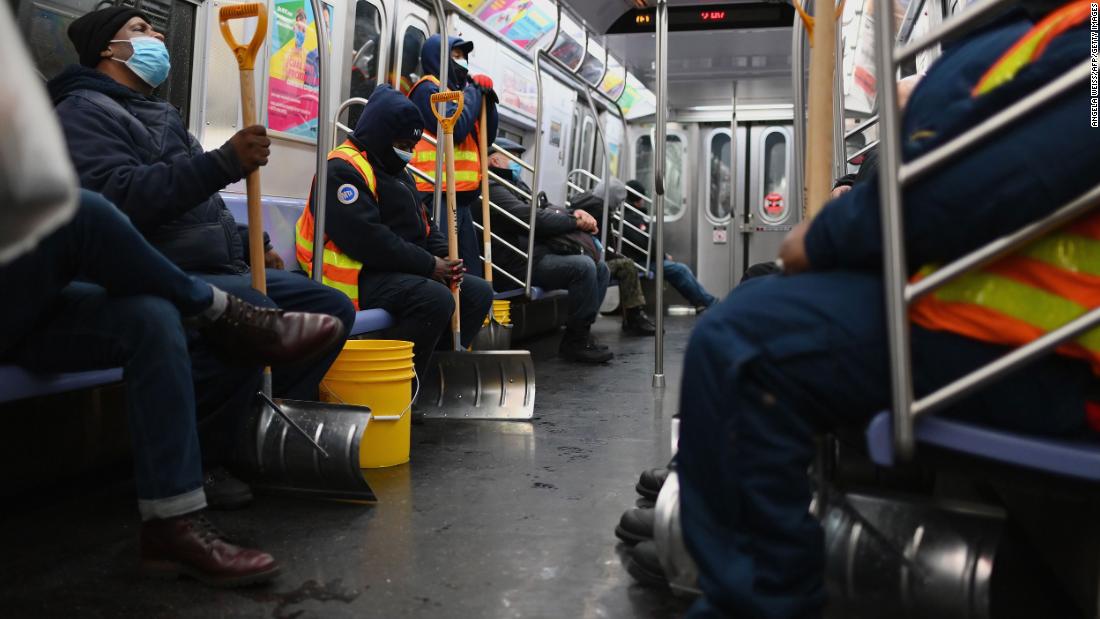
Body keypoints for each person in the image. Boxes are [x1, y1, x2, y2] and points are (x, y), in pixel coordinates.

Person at [676, 4, 1097, 617]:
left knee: (741, 345)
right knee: (756, 310)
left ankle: (759, 602)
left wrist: (826, 237)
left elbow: (988, 177)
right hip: (1000, 323)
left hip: (1057, 353)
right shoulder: (1060, 30)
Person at [1, 11, 343, 584]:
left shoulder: (162, 115)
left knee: (171, 312)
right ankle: (216, 324)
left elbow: (195, 212)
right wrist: (223, 164)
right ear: (109, 48)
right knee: (90, 218)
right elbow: (119, 204)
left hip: (169, 273)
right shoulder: (82, 112)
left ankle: (180, 512)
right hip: (106, 276)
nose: (158, 38)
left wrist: (247, 240)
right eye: (143, 29)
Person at [296, 85, 493, 381]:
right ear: (381, 134)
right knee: (435, 299)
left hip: (394, 268)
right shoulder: (342, 169)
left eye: (412, 146)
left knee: (478, 292)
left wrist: (443, 255)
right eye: (403, 144)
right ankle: (397, 383)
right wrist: (429, 266)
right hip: (353, 273)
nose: (409, 153)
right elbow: (368, 240)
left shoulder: (396, 170)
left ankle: (432, 377)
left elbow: (424, 223)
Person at [478, 138, 613, 363]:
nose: (518, 162)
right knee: (584, 267)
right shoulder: (491, 187)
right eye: (513, 157)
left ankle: (580, 334)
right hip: (517, 264)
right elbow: (530, 218)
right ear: (495, 160)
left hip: (536, 255)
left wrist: (575, 214)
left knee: (601, 269)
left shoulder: (517, 186)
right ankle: (574, 344)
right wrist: (574, 223)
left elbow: (545, 208)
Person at [407, 34, 499, 274]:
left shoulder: (460, 92)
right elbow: (454, 128)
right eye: (455, 56)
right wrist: (474, 94)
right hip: (435, 193)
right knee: (452, 266)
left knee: (471, 269)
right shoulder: (428, 89)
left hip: (460, 194)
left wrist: (487, 100)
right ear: (438, 57)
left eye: (464, 57)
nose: (462, 62)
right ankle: (450, 311)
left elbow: (486, 138)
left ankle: (477, 309)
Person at [603, 180, 719, 313]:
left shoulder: (630, 214)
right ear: (638, 198)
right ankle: (707, 302)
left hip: (638, 258)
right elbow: (644, 243)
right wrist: (663, 256)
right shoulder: (630, 217)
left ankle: (702, 302)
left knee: (678, 269)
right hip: (639, 261)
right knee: (680, 270)